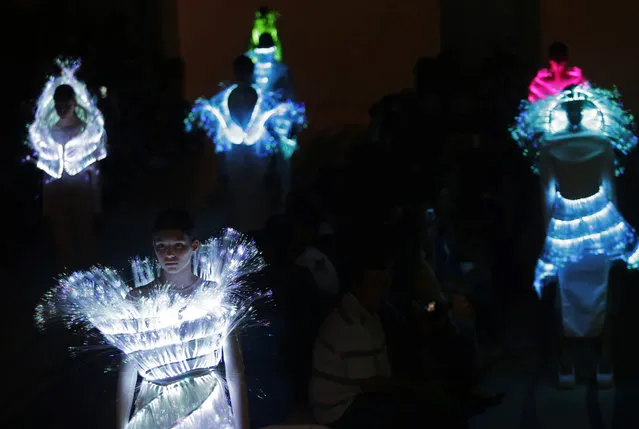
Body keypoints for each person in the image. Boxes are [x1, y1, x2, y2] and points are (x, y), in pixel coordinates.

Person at [36, 208, 260, 429]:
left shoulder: (216, 296)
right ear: (154, 247)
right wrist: (122, 424)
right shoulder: (138, 299)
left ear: (194, 246)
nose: (169, 254)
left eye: (178, 245)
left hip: (206, 404)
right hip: (157, 405)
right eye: (161, 246)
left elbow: (235, 370)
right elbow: (128, 369)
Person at [309, 250, 469, 429]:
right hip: (339, 409)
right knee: (416, 407)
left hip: (356, 396)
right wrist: (416, 388)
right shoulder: (351, 324)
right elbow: (372, 383)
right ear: (357, 286)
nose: (381, 291)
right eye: (374, 285)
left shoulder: (371, 312)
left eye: (384, 284)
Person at [41, 83, 103, 269]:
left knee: (84, 240)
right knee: (63, 244)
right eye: (58, 106)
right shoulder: (50, 133)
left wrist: (97, 203)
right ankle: (68, 284)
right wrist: (46, 203)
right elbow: (46, 170)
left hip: (82, 192)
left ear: (74, 103)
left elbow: (95, 170)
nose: (62, 110)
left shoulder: (86, 132)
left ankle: (85, 281)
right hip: (57, 193)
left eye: (66, 105)